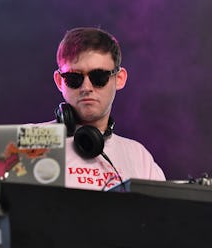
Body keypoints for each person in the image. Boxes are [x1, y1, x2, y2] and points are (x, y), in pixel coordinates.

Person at [52, 27, 165, 191]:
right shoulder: (27, 143)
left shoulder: (140, 158)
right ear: (59, 81)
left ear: (119, 79)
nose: (86, 87)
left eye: (99, 77)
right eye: (74, 78)